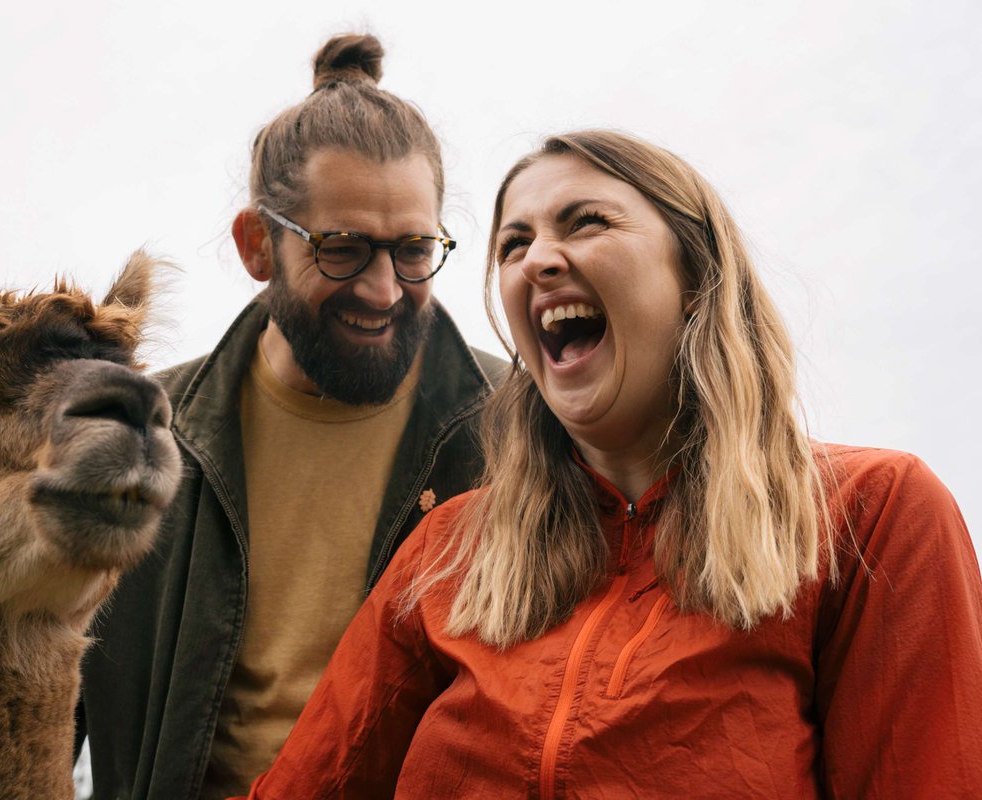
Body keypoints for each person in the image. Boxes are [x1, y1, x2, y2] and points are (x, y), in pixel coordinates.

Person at [238, 130, 982, 798]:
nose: (537, 259)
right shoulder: (447, 551)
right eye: (513, 244)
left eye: (586, 222)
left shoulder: (872, 514)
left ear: (696, 277)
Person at [75, 34, 506, 800]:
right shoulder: (137, 437)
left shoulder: (523, 429)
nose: (383, 289)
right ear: (257, 246)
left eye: (413, 250)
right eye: (342, 249)